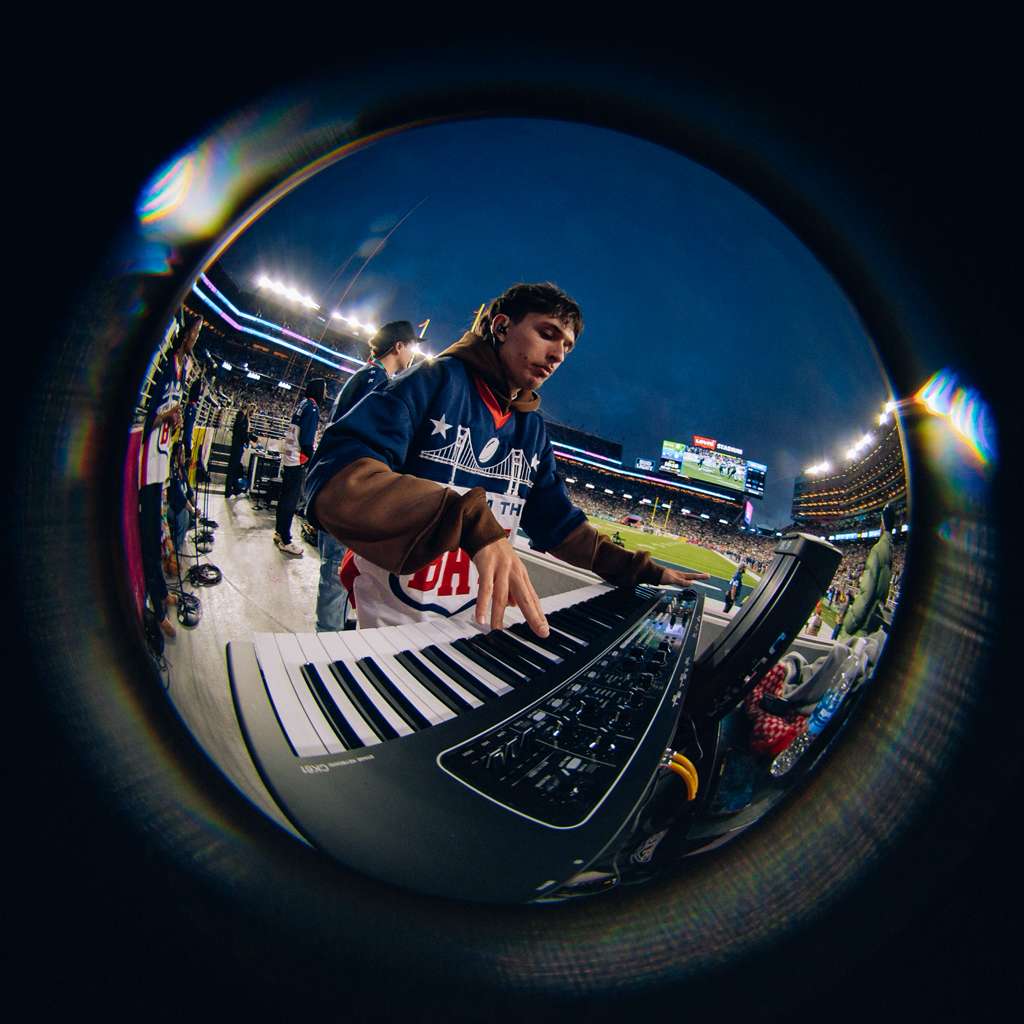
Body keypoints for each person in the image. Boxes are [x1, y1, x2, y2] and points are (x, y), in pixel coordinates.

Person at [304, 282, 709, 636]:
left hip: (469, 629)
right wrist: (469, 520)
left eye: (567, 347)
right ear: (501, 327)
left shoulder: (531, 429)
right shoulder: (431, 381)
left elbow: (559, 527)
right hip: (392, 623)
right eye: (547, 334)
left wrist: (643, 571)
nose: (558, 356)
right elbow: (333, 478)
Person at [314, 321, 418, 631]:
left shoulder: (367, 375)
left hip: (343, 485)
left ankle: (333, 630)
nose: (414, 353)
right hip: (348, 490)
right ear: (399, 346)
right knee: (335, 571)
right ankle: (327, 640)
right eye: (412, 345)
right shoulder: (376, 379)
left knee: (340, 570)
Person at [138, 314, 202, 638]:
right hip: (147, 466)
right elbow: (145, 417)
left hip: (161, 462)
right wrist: (166, 416)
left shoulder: (182, 372)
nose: (196, 338)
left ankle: (162, 593)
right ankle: (158, 609)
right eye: (195, 331)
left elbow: (167, 417)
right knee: (149, 538)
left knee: (157, 530)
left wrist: (174, 429)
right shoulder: (164, 368)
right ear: (184, 333)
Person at [275, 378, 326, 556]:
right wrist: (311, 459)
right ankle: (286, 540)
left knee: (284, 497)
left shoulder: (302, 404)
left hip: (289, 457)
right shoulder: (312, 408)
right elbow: (306, 440)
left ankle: (279, 532)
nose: (325, 394)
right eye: (324, 390)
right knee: (291, 500)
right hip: (297, 458)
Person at [837, 504, 896, 641]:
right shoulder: (889, 550)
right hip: (871, 626)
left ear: (883, 522)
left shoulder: (878, 550)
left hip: (860, 629)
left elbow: (866, 594)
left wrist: (850, 623)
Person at [225, 399, 256, 498]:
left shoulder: (242, 418)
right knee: (233, 469)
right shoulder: (242, 417)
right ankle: (229, 491)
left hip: (238, 446)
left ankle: (235, 489)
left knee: (237, 468)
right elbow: (242, 434)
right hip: (237, 447)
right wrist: (250, 441)